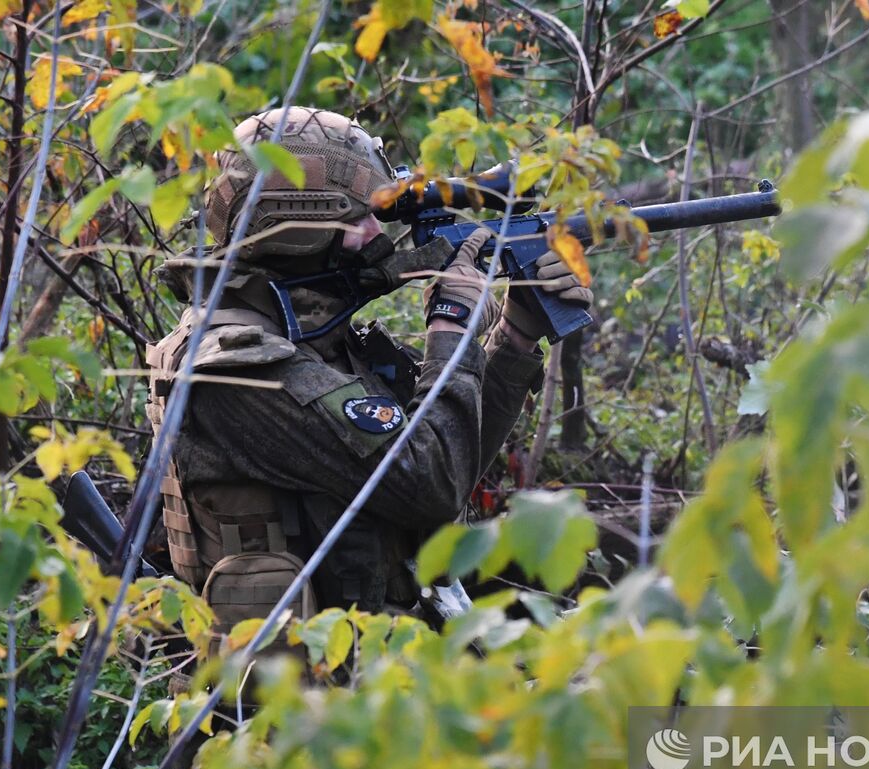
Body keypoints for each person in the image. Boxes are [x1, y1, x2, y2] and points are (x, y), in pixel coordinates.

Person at [144, 107, 591, 628]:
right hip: (303, 691)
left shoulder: (312, 337)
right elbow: (430, 486)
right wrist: (452, 328)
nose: (375, 232)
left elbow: (443, 455)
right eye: (357, 216)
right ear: (300, 228)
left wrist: (514, 336)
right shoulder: (234, 368)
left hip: (382, 660)